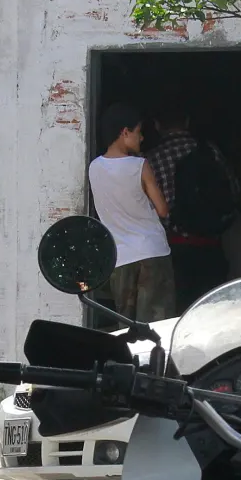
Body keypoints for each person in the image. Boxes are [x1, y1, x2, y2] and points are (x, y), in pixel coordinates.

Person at [146, 103, 239, 313]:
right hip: (211, 247)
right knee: (211, 311)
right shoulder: (210, 151)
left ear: (157, 125)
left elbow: (150, 210)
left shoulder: (151, 159)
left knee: (177, 314)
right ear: (186, 122)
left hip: (174, 250)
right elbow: (233, 191)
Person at [88, 103, 175, 321]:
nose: (142, 138)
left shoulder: (94, 167)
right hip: (152, 252)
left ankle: (127, 357)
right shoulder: (139, 165)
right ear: (124, 132)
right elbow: (163, 210)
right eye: (138, 132)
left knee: (126, 325)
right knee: (156, 325)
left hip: (121, 257)